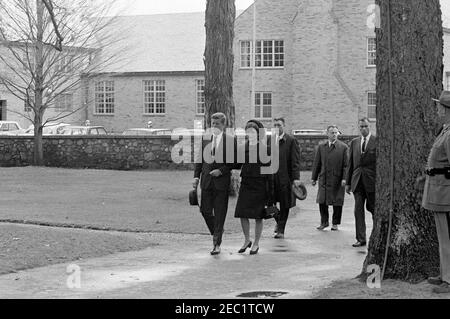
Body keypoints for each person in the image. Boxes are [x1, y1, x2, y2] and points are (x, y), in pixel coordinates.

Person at [193, 112, 235, 255]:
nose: (214, 126)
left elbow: (234, 163)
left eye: (217, 124)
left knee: (220, 214)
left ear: (223, 125)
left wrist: (221, 171)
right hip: (206, 182)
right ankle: (217, 231)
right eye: (212, 124)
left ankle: (216, 243)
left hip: (221, 183)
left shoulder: (230, 140)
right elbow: (199, 159)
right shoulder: (205, 139)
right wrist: (196, 177)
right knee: (205, 211)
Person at [422, 91, 450, 294]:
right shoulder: (445, 130)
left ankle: (449, 280)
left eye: (440, 106)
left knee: (448, 237)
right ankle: (444, 275)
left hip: (446, 194)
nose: (437, 108)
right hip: (439, 191)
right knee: (443, 237)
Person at [234, 120, 273, 255]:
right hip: (246, 183)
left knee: (258, 216)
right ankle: (246, 240)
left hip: (260, 184)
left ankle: (256, 243)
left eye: (253, 132)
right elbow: (236, 164)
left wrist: (270, 190)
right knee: (241, 213)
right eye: (248, 131)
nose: (250, 134)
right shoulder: (242, 147)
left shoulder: (265, 149)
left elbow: (270, 170)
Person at [346, 117, 376, 247]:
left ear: (370, 127)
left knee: (374, 209)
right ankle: (361, 238)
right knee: (358, 210)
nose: (363, 129)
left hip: (372, 182)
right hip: (357, 181)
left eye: (366, 126)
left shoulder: (377, 141)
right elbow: (350, 164)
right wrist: (348, 183)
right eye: (361, 127)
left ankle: (376, 237)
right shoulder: (354, 142)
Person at [311, 125, 348, 231]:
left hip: (337, 179)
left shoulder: (343, 147)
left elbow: (346, 165)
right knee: (322, 201)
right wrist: (314, 178)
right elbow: (317, 163)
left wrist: (344, 178)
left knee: (337, 202)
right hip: (324, 178)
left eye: (336, 132)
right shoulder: (321, 147)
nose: (334, 134)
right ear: (327, 134)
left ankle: (335, 223)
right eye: (332, 132)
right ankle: (324, 222)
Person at [272, 118, 301, 239]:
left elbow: (295, 161)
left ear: (284, 126)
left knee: (285, 205)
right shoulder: (269, 140)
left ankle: (281, 231)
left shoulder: (291, 141)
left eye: (279, 125)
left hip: (285, 179)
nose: (277, 127)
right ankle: (279, 221)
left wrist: (295, 178)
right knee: (269, 204)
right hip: (271, 178)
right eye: (275, 125)